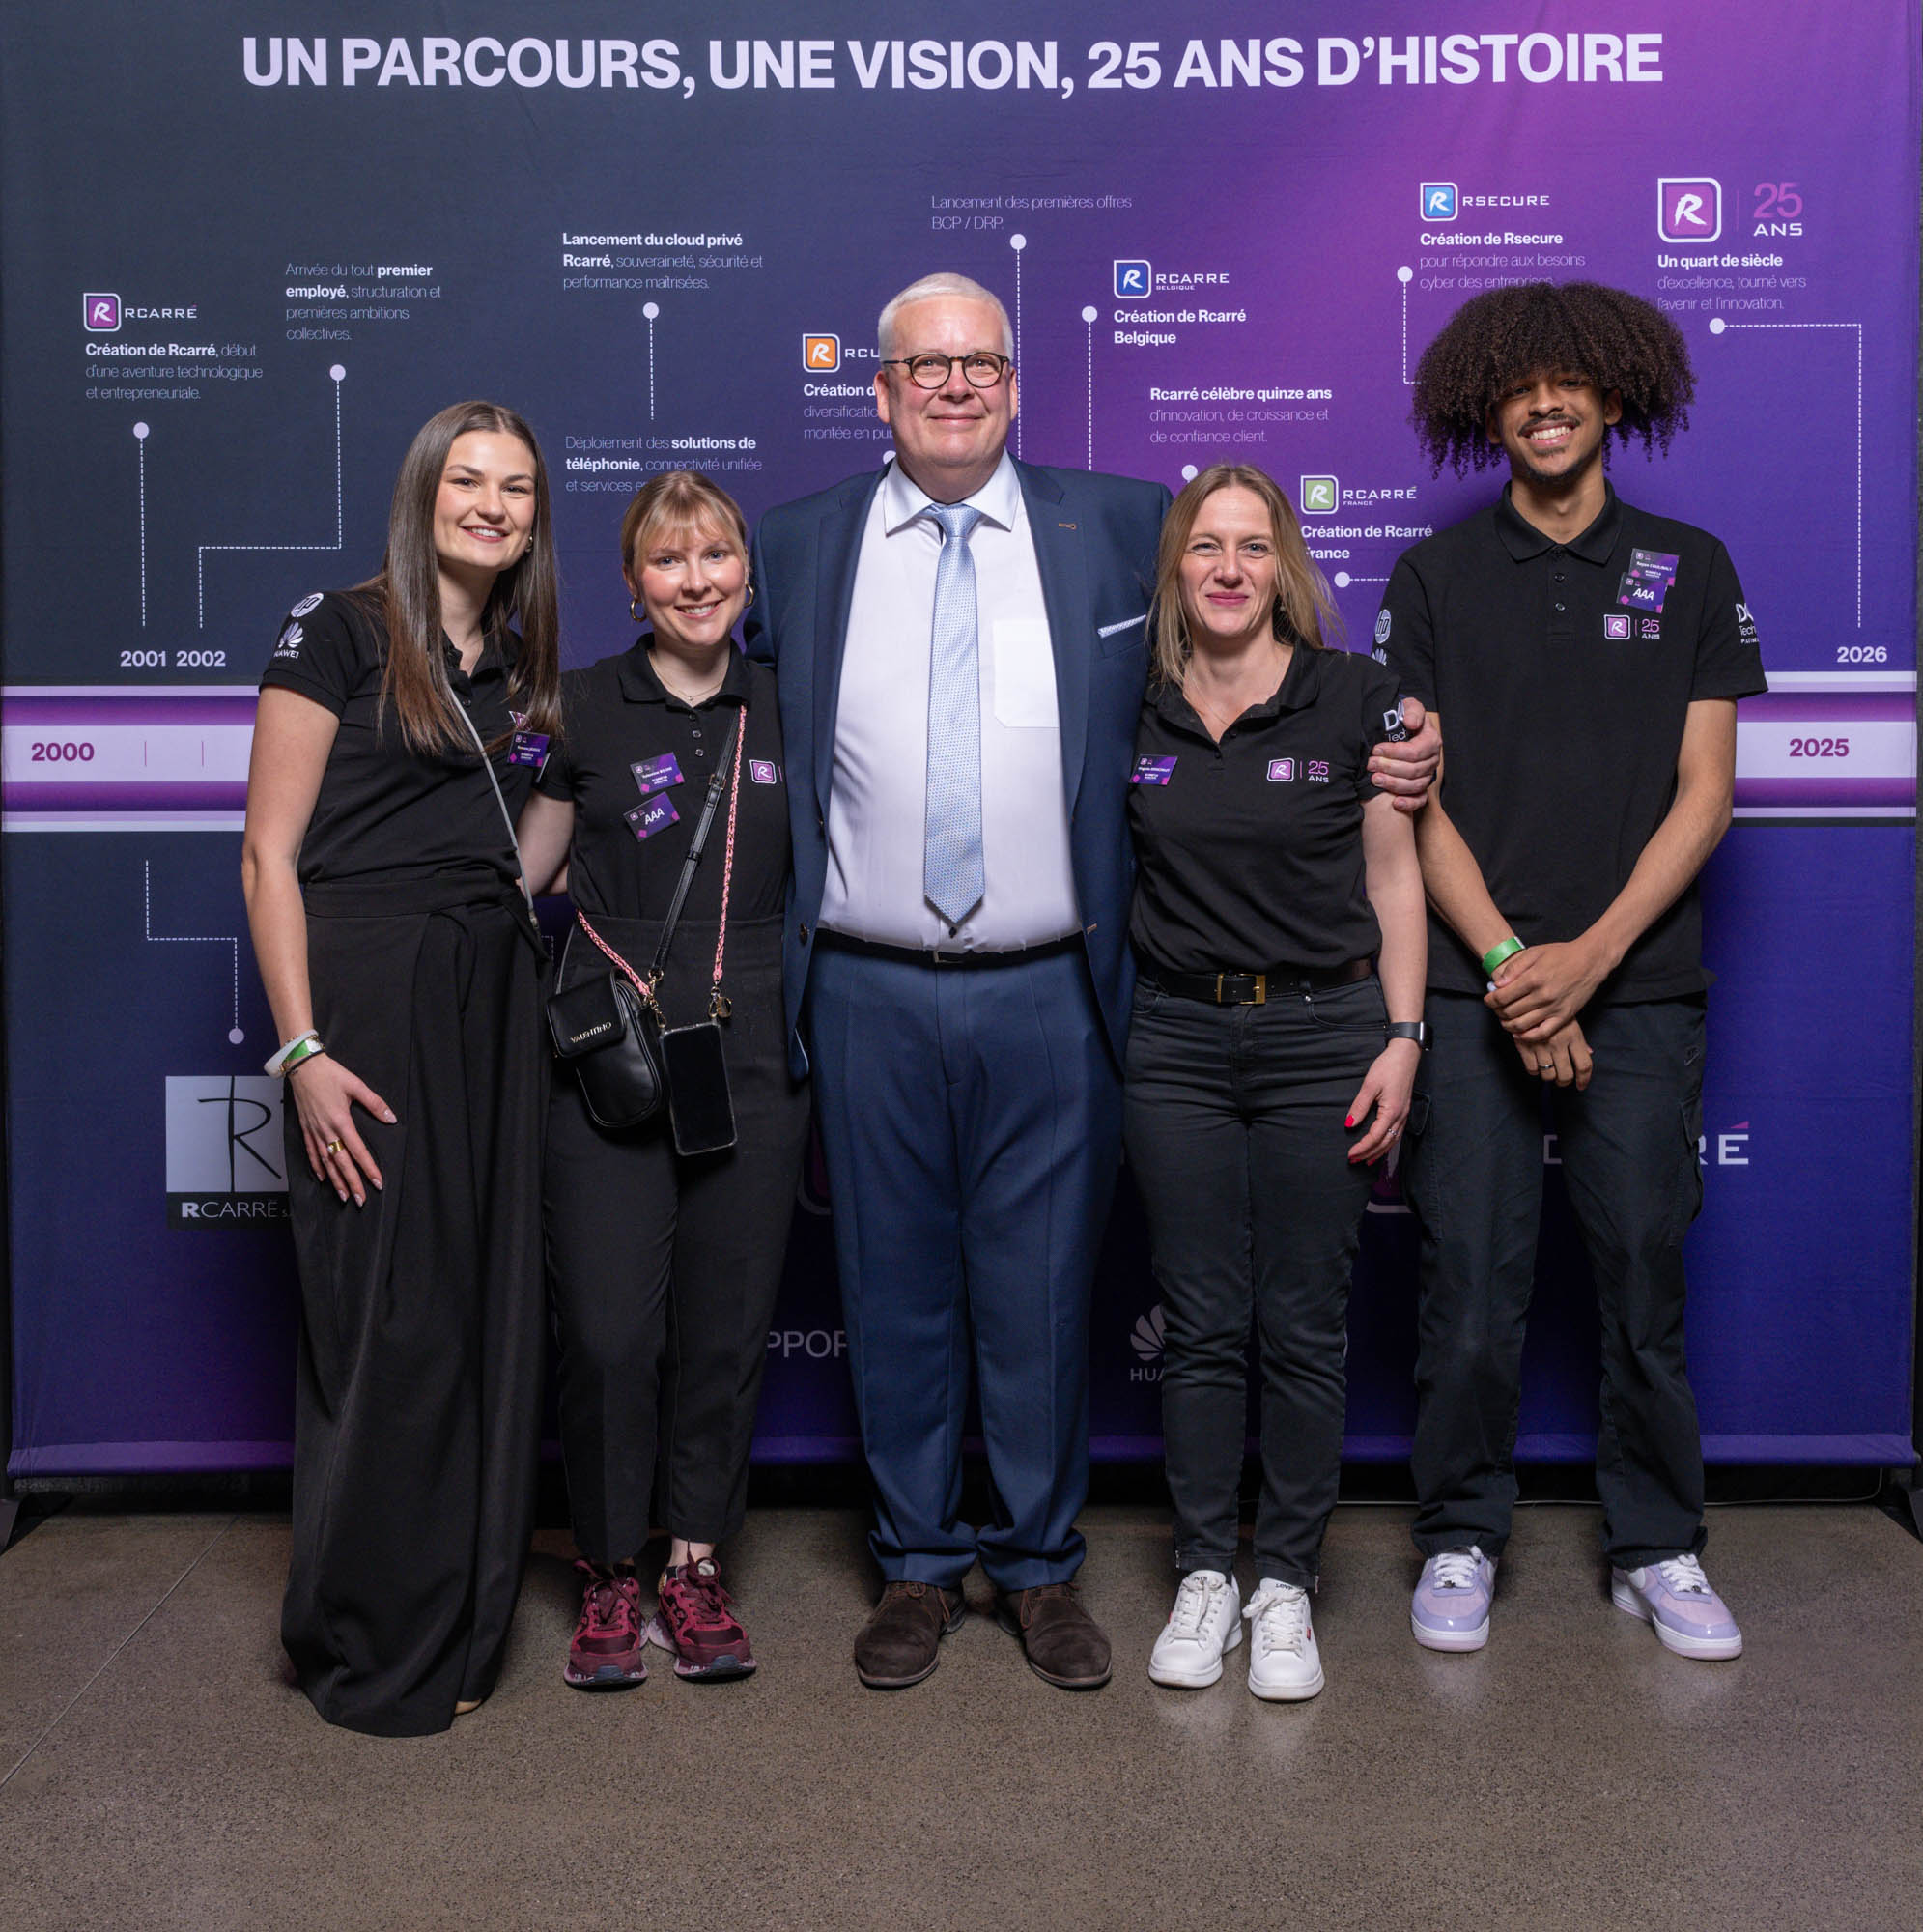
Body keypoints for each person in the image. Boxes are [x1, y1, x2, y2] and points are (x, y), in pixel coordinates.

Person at [746, 271, 1441, 1692]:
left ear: (1015, 384)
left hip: (1054, 985)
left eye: (980, 362)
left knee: (1043, 1291)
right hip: (867, 984)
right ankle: (917, 1562)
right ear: (878, 390)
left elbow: (1258, 653)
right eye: (924, 366)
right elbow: (710, 698)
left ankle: (1038, 1565)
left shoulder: (1121, 526)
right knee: (891, 1290)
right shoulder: (800, 543)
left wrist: (1400, 729)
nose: (953, 385)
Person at [1378, 282, 1766, 1661]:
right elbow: (1413, 802)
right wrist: (1506, 966)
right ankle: (1458, 1533)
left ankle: (1655, 1543)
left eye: (1567, 383)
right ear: (1483, 409)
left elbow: (1705, 794)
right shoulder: (1430, 577)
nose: (1543, 404)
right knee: (1466, 1290)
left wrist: (1584, 964)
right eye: (1517, 386)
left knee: (1641, 1283)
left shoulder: (1689, 565)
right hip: (1473, 987)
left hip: (1637, 988)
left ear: (1612, 395)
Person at [241, 399, 560, 1735]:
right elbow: (269, 853)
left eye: (517, 487)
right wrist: (303, 1048)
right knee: (388, 1316)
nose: (491, 504)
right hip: (366, 998)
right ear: (424, 492)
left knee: (484, 1310)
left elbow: (528, 836)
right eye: (467, 480)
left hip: (491, 999)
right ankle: (366, 1634)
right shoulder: (340, 629)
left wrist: (515, 886)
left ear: (535, 519)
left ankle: (465, 1627)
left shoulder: (525, 668)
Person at [1123, 466, 1427, 1701]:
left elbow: (1393, 879)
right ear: (1175, 567)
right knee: (1200, 1322)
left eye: (1252, 545)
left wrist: (1403, 1035)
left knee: (1302, 1322)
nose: (1229, 567)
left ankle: (1285, 1580)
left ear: (1284, 565)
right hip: (1176, 1041)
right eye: (1205, 545)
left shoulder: (1354, 696)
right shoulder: (1134, 701)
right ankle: (1206, 1568)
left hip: (1322, 1035)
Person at [517, 472, 806, 1690]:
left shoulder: (790, 700)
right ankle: (606, 1566)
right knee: (605, 1331)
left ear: (746, 569)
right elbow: (520, 877)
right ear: (634, 583)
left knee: (724, 1328)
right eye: (669, 561)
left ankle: (692, 1561)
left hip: (753, 1050)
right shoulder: (580, 705)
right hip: (612, 1059)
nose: (697, 581)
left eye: (716, 556)